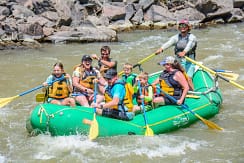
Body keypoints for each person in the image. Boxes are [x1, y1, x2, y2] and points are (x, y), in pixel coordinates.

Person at [155, 19, 197, 90]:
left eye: (184, 26)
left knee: (188, 78)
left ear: (188, 27)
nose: (182, 27)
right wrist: (161, 49)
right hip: (178, 61)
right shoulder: (176, 37)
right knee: (177, 76)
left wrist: (184, 52)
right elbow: (169, 43)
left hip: (189, 61)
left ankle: (193, 91)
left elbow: (189, 45)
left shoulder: (192, 37)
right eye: (180, 26)